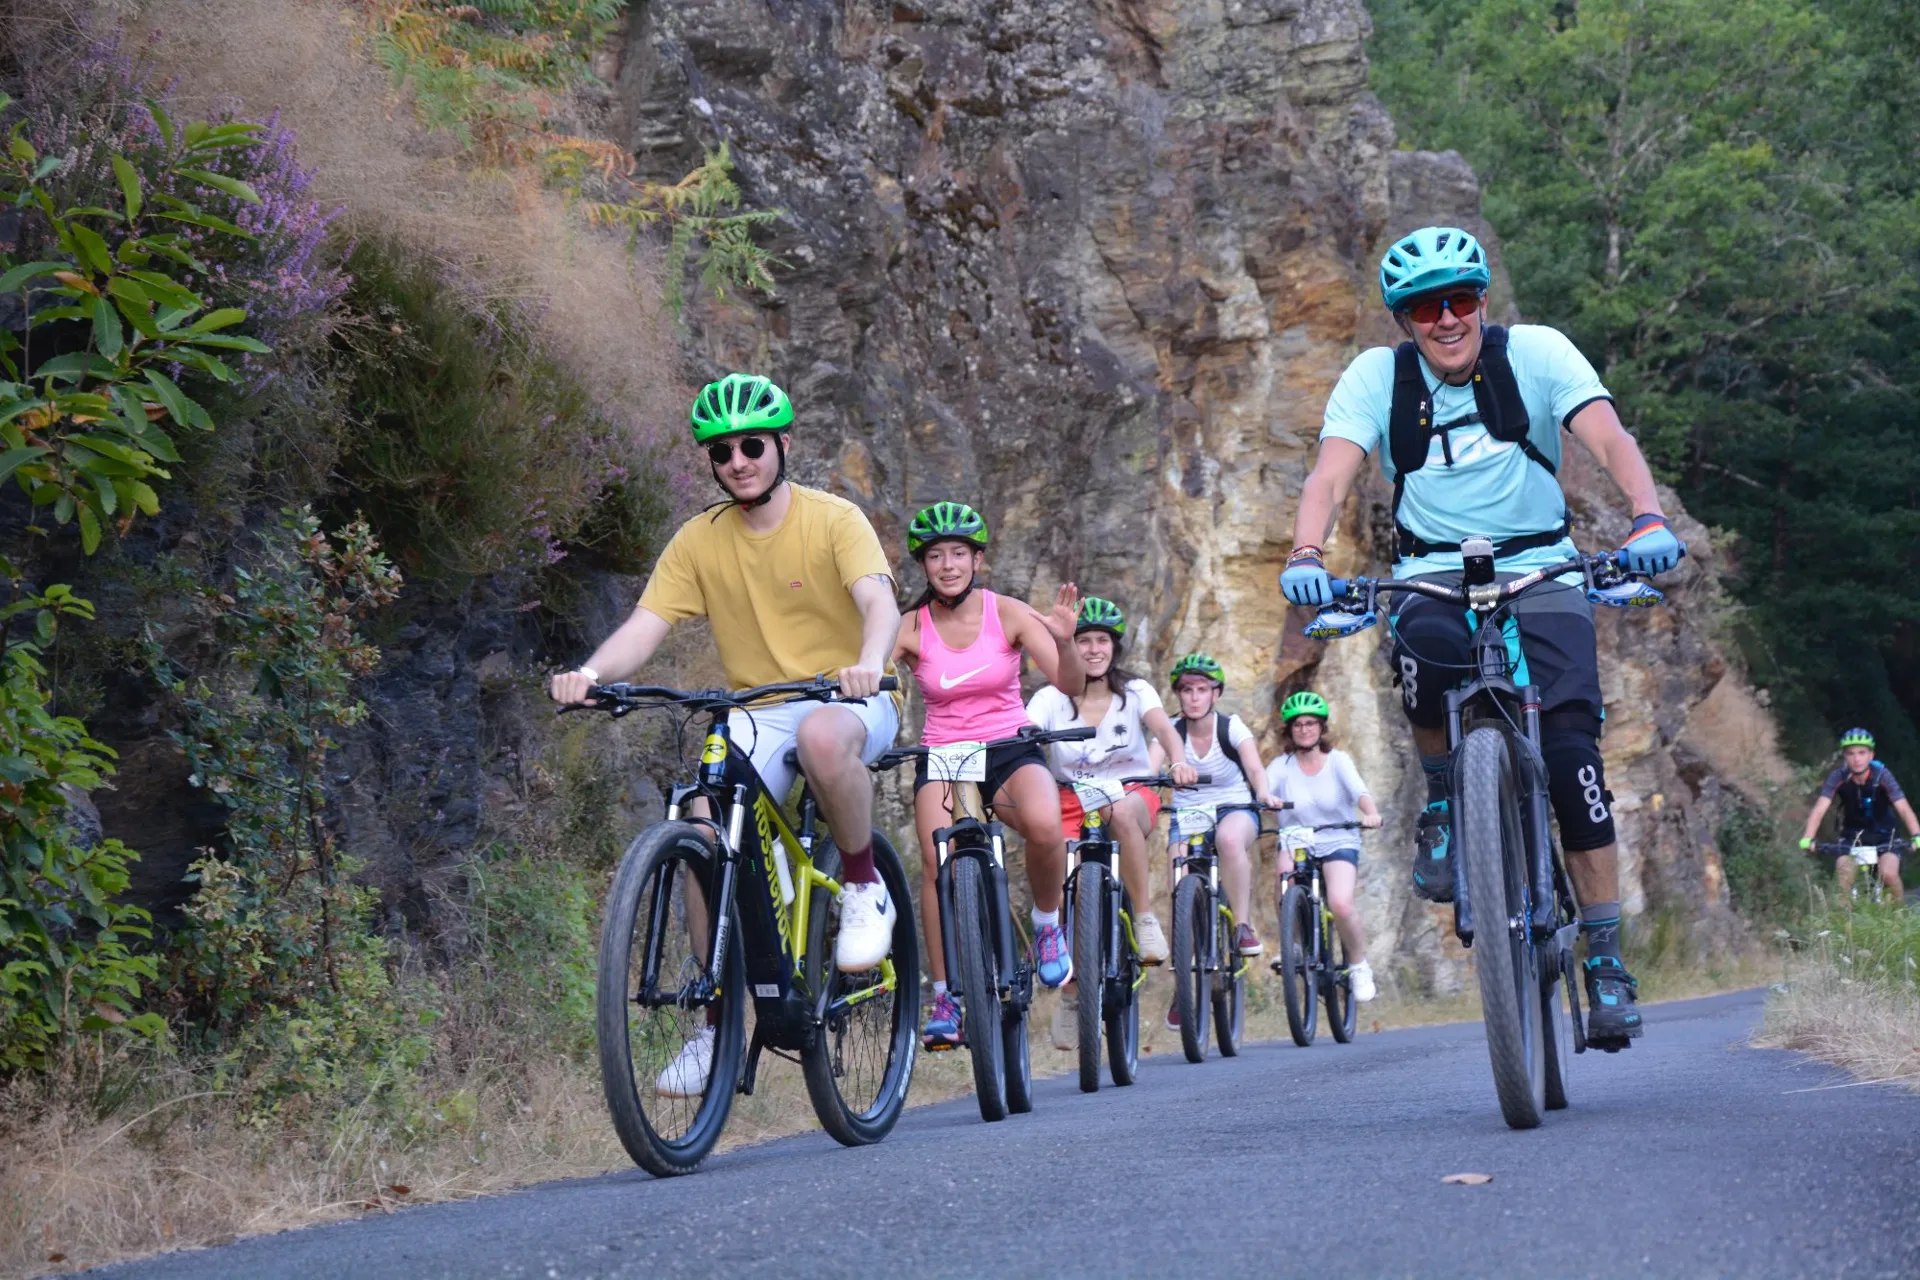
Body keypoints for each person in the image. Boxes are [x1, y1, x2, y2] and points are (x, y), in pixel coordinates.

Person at [1280, 226, 1687, 1048]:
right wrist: (1306, 551)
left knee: (1573, 760)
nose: (1446, 320)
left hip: (1542, 569)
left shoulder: (1536, 354)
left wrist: (1648, 517)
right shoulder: (1377, 378)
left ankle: (1605, 960)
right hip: (1432, 570)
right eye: (1426, 309)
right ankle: (1443, 799)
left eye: (1459, 301)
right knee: (1422, 662)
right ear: (1405, 321)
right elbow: (1332, 471)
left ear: (1482, 302)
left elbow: (1607, 436)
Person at [550, 372, 903, 1096]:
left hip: (848, 694)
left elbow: (879, 604)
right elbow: (643, 630)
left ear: (780, 445)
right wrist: (589, 673)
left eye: (750, 446)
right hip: (758, 705)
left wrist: (868, 665)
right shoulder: (699, 541)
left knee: (823, 741)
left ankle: (864, 887)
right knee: (700, 824)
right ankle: (717, 1026)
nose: (737, 461)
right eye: (721, 453)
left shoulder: (835, 519)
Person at [892, 502, 1086, 1050]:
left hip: (1008, 746)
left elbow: (1068, 684)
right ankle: (946, 994)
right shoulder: (910, 626)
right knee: (935, 862)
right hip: (946, 754)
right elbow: (874, 666)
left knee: (1047, 826)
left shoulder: (1010, 613)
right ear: (924, 566)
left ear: (978, 559)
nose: (947, 565)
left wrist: (1067, 640)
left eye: (958, 553)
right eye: (935, 556)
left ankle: (1047, 925)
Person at [1026, 597, 1197, 1049]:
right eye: (1084, 641)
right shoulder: (1049, 698)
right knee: (1066, 886)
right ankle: (1071, 993)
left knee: (1121, 810)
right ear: (1070, 647)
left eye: (1102, 640)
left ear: (1115, 648)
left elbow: (1163, 729)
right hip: (1070, 799)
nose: (1094, 649)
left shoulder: (1137, 692)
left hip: (1131, 790)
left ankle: (1143, 918)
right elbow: (1024, 735)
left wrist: (1178, 762)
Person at [1162, 653, 1286, 1030]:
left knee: (1230, 840)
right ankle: (1184, 979)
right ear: (1179, 695)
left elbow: (1253, 769)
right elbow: (1149, 764)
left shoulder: (1232, 728)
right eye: (1187, 690)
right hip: (1186, 814)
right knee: (1177, 879)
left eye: (1202, 690)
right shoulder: (1171, 732)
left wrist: (1264, 793)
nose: (1194, 698)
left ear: (1215, 694)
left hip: (1234, 808)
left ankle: (1242, 926)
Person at [1265, 692, 1383, 1002]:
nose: (1304, 730)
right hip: (1297, 838)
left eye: (1311, 724)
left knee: (1341, 903)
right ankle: (1291, 944)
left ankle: (1358, 965)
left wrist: (1369, 813)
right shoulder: (1281, 766)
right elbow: (1262, 789)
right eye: (1298, 725)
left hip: (1338, 838)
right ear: (1289, 731)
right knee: (1283, 879)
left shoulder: (1338, 761)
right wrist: (1265, 800)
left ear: (1321, 728)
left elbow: (1360, 793)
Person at [1796, 728, 1920, 902]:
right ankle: (1845, 925)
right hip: (1852, 836)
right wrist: (1808, 837)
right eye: (1850, 753)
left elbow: (1904, 809)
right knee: (1843, 879)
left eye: (1862, 753)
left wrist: (1916, 835)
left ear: (1871, 755)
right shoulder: (1838, 777)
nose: (1856, 759)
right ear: (1845, 757)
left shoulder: (1882, 776)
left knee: (1888, 874)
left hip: (1885, 835)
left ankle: (1899, 915)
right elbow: (1819, 809)